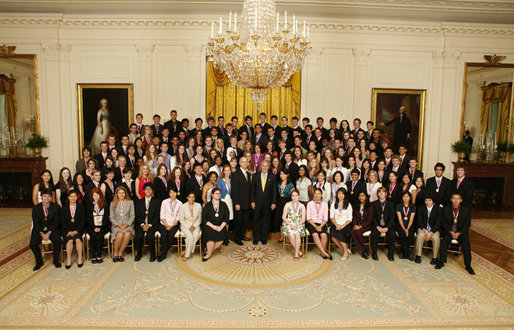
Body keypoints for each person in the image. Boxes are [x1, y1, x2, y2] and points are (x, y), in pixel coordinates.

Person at [437, 193, 475, 275]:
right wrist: (451, 232)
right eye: (454, 198)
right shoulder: (446, 209)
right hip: (449, 231)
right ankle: (441, 261)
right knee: (444, 242)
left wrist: (459, 233)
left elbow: (467, 224)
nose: (456, 200)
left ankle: (468, 265)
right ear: (451, 199)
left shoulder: (466, 210)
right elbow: (443, 223)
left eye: (458, 199)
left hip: (461, 232)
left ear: (461, 200)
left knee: (466, 244)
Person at [29, 188, 61, 270]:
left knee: (57, 240)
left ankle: (56, 260)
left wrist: (48, 233)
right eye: (44, 196)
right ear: (41, 197)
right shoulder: (36, 208)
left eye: (48, 196)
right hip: (39, 230)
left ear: (50, 197)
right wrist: (42, 233)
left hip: (52, 229)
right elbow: (36, 223)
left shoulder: (56, 207)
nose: (46, 198)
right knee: (33, 243)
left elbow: (56, 222)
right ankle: (39, 261)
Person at [250, 160, 277, 245]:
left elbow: (274, 191)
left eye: (266, 166)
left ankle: (264, 238)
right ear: (261, 167)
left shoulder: (273, 177)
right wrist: (252, 201)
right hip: (257, 203)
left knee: (266, 221)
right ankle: (256, 238)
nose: (265, 167)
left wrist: (274, 202)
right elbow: (252, 191)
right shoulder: (255, 176)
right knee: (256, 221)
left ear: (269, 167)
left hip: (268, 203)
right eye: (263, 166)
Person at [134, 182, 160, 262]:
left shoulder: (157, 202)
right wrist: (142, 225)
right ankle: (139, 254)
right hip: (141, 224)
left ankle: (153, 254)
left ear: (152, 191)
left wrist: (149, 225)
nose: (148, 191)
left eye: (150, 189)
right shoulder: (139, 202)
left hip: (152, 224)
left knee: (150, 235)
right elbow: (138, 216)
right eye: (146, 189)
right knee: (138, 236)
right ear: (144, 191)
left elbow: (157, 216)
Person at [201, 188, 229, 261]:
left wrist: (220, 227)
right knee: (210, 237)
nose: (218, 195)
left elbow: (226, 217)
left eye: (219, 193)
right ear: (212, 195)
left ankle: (208, 251)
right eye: (216, 193)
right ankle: (208, 255)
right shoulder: (207, 205)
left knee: (221, 238)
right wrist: (214, 227)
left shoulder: (223, 204)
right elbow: (204, 219)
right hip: (210, 226)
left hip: (220, 225)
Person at [61, 190, 85, 269]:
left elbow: (83, 221)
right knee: (70, 240)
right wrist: (69, 231)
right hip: (67, 230)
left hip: (78, 229)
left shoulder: (81, 207)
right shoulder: (64, 208)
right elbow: (62, 222)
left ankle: (79, 258)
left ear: (77, 197)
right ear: (68, 197)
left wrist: (76, 230)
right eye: (71, 196)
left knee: (78, 240)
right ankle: (68, 259)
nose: (73, 198)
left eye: (75, 196)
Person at [414, 193, 441, 265]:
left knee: (436, 238)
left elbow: (438, 223)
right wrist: (425, 230)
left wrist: (431, 233)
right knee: (420, 236)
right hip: (423, 228)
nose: (427, 202)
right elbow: (419, 221)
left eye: (429, 200)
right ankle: (418, 256)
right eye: (426, 200)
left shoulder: (438, 209)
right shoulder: (421, 208)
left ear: (433, 201)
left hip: (434, 229)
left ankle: (435, 258)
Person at [370, 187, 396, 261]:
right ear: (377, 194)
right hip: (377, 225)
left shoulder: (390, 204)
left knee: (392, 235)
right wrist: (377, 226)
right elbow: (372, 217)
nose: (381, 193)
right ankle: (374, 254)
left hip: (387, 225)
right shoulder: (373, 204)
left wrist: (387, 227)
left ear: (386, 193)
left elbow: (392, 218)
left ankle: (390, 255)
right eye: (379, 192)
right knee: (374, 235)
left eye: (383, 192)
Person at [110, 186, 135, 262]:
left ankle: (120, 253)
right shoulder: (112, 203)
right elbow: (111, 217)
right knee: (120, 234)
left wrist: (126, 224)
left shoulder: (130, 202)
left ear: (125, 193)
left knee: (127, 234)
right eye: (119, 193)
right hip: (117, 225)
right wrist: (118, 225)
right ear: (116, 194)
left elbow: (132, 216)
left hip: (128, 225)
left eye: (123, 193)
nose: (121, 194)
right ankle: (115, 253)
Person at [231, 156, 252, 245]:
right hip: (239, 203)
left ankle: (243, 235)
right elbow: (234, 190)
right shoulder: (236, 174)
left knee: (245, 221)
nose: (245, 163)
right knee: (238, 221)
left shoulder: (248, 173)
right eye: (243, 162)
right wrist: (236, 203)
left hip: (247, 203)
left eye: (246, 161)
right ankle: (237, 238)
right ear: (239, 163)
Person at [306, 188, 332, 259]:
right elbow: (308, 218)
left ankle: (321, 252)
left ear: (321, 195)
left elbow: (325, 218)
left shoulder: (325, 204)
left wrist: (320, 226)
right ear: (314, 195)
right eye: (316, 194)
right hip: (311, 223)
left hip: (321, 223)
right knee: (315, 235)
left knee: (324, 235)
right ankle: (324, 253)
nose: (317, 195)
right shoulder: (310, 203)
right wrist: (315, 226)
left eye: (319, 194)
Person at [158, 186, 182, 261]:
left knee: (171, 236)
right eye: (171, 192)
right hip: (164, 223)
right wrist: (166, 225)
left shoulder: (180, 203)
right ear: (169, 193)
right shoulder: (164, 202)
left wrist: (171, 226)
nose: (173, 194)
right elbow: (162, 215)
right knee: (164, 235)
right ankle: (163, 254)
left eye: (174, 192)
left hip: (174, 224)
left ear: (177, 193)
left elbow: (178, 217)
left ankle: (163, 251)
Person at [281, 189, 306, 261]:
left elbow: (303, 219)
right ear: (291, 196)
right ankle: (299, 252)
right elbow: (283, 217)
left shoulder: (302, 206)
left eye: (296, 195)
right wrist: (290, 224)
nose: (294, 197)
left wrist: (297, 225)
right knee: (292, 236)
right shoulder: (287, 204)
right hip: (289, 223)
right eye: (293, 196)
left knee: (297, 235)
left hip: (299, 224)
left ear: (298, 196)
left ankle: (296, 254)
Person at [87, 187, 109, 264]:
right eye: (94, 195)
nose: (96, 197)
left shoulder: (105, 205)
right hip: (92, 227)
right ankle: (93, 255)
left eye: (97, 195)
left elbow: (106, 218)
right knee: (93, 236)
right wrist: (94, 227)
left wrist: (100, 228)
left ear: (100, 195)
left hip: (103, 226)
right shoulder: (89, 205)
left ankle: (99, 255)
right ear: (92, 196)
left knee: (100, 236)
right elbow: (88, 219)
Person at [330, 188, 353, 261]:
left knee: (340, 234)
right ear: (337, 195)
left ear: (345, 195)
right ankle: (344, 249)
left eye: (342, 194)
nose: (340, 195)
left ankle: (345, 252)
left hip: (345, 225)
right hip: (335, 224)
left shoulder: (348, 205)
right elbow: (331, 216)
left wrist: (342, 225)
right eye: (339, 193)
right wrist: (337, 225)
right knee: (333, 237)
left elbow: (349, 218)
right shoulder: (333, 203)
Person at [178, 192, 202, 261]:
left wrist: (194, 226)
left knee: (195, 236)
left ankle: (186, 251)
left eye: (193, 197)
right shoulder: (183, 206)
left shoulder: (198, 205)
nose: (191, 198)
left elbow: (199, 218)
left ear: (194, 198)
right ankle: (187, 255)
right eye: (190, 197)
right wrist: (189, 226)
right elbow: (181, 219)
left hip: (195, 225)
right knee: (190, 237)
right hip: (185, 225)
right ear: (187, 198)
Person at [274, 169, 295, 241]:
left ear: (287, 175)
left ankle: (288, 238)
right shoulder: (279, 183)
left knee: (287, 220)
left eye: (284, 174)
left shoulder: (290, 184)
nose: (282, 176)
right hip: (280, 202)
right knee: (281, 220)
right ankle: (282, 237)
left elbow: (294, 195)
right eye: (281, 174)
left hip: (288, 202)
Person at [351, 191, 373, 259]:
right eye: (360, 196)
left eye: (363, 196)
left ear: (366, 197)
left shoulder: (370, 207)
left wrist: (360, 226)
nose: (361, 197)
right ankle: (364, 249)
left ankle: (363, 249)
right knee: (352, 231)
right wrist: (355, 225)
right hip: (358, 224)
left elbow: (369, 220)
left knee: (358, 232)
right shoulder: (356, 206)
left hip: (366, 225)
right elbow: (354, 217)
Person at [395, 191, 416, 261]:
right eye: (404, 197)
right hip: (400, 225)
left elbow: (411, 219)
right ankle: (407, 254)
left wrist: (407, 228)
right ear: (402, 198)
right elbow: (400, 219)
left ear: (410, 198)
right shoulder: (398, 206)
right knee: (403, 235)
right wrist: (404, 228)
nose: (406, 198)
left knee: (410, 236)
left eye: (407, 197)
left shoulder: (413, 207)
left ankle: (403, 251)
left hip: (410, 225)